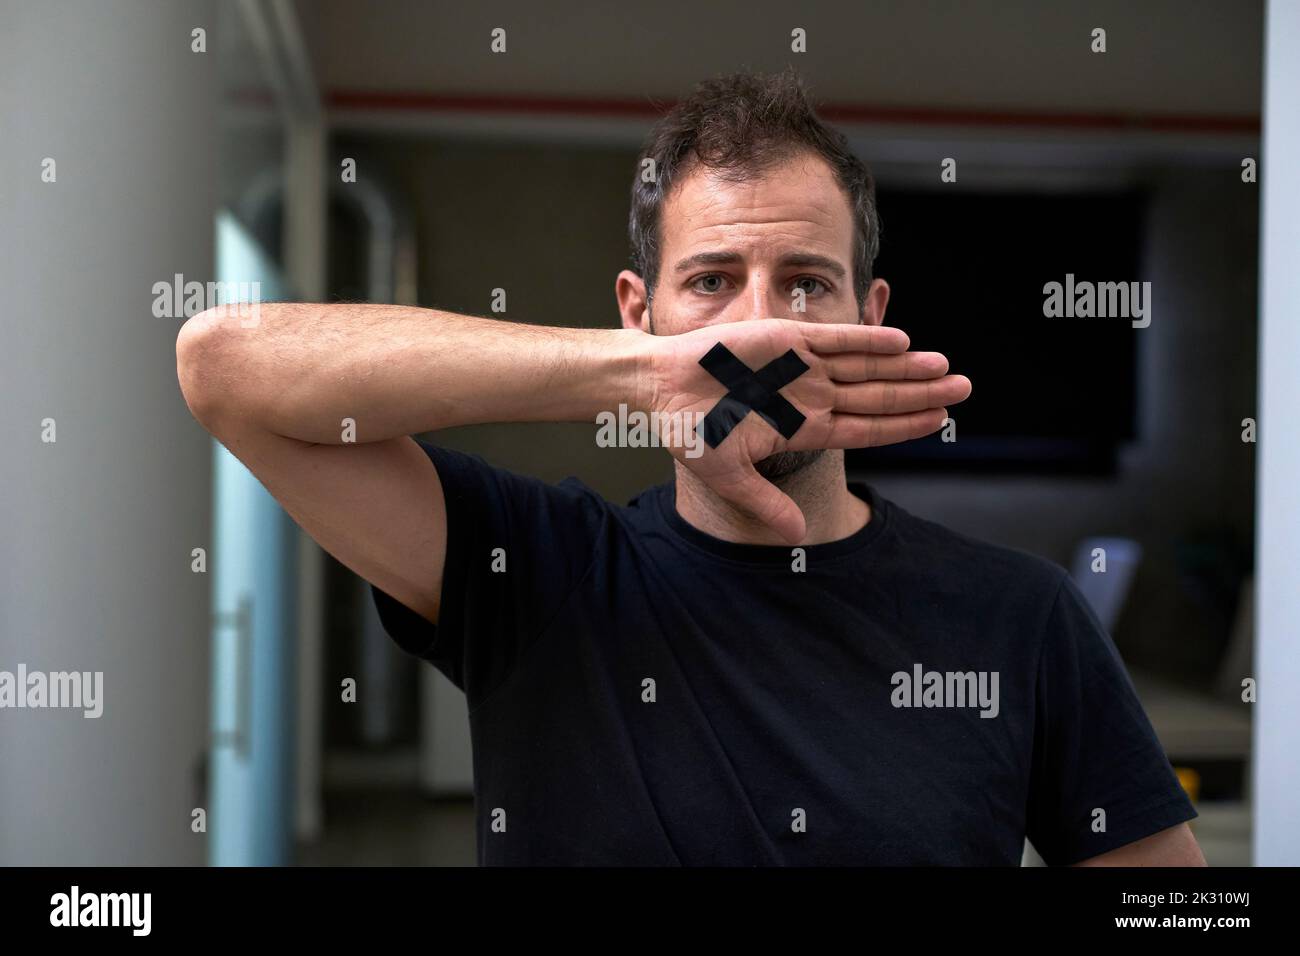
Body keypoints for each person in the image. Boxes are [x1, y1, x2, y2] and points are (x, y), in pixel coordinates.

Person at [177, 69, 1204, 866]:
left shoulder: (1017, 617)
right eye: (711, 281)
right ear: (640, 310)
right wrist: (646, 378)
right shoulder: (534, 570)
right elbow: (225, 365)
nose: (759, 324)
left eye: (805, 282)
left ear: (870, 317)